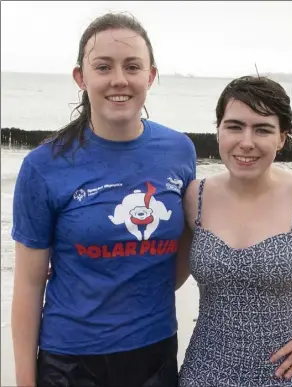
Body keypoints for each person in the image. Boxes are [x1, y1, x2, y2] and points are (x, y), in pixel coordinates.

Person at [11, 12, 196, 387]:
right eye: (103, 66)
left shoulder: (179, 151)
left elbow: (185, 246)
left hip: (155, 349)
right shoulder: (43, 166)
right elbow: (29, 285)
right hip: (71, 361)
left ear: (151, 76)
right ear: (81, 77)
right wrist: (25, 381)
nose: (119, 80)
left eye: (132, 66)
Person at [177, 76, 292, 386]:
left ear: (281, 138)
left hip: (282, 373)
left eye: (262, 129)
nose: (247, 142)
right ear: (218, 131)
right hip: (202, 370)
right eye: (234, 126)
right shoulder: (195, 197)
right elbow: (166, 278)